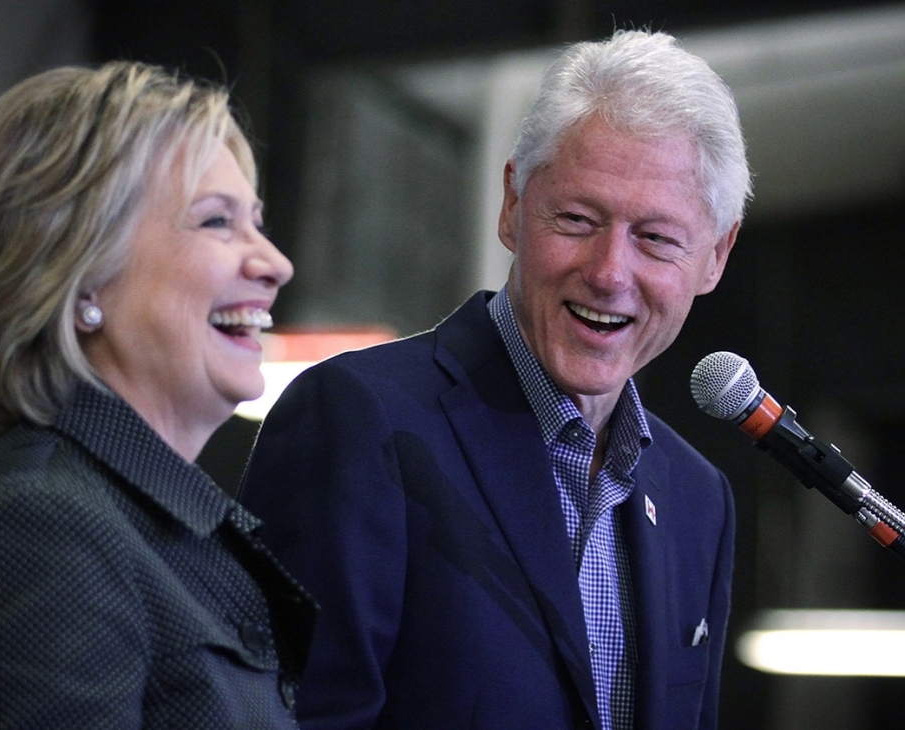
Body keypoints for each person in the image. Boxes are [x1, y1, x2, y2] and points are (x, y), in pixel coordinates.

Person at [239, 29, 750, 730]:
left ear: (716, 256)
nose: (608, 272)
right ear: (513, 204)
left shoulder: (699, 500)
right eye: (576, 218)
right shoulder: (358, 421)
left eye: (656, 239)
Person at [0, 61, 316, 728]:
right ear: (80, 275)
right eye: (216, 223)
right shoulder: (40, 534)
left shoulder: (114, 528)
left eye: (254, 222)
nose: (275, 263)